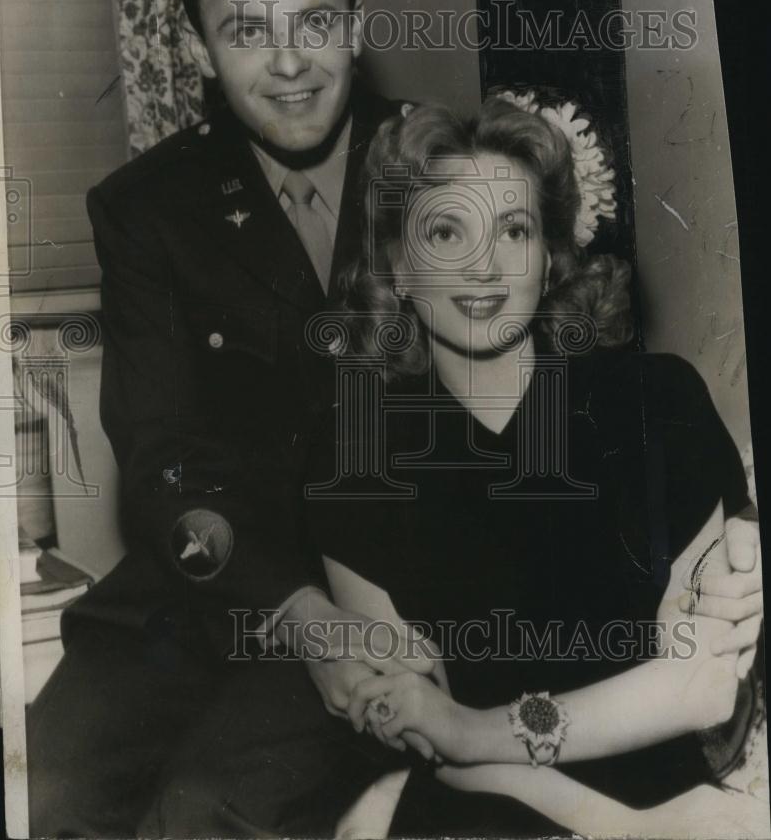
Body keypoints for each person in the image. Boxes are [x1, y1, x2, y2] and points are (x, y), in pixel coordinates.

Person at [26, 0, 428, 839]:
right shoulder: (148, 208)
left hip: (383, 601)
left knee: (203, 812)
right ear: (202, 47)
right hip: (200, 591)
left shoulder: (438, 163)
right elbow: (162, 453)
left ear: (355, 27)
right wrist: (295, 615)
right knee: (46, 791)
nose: (290, 63)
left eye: (316, 23)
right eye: (248, 30)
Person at [306, 96, 767, 838]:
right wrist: (605, 826)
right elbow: (425, 734)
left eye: (513, 230)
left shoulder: (654, 402)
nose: (482, 265)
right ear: (396, 262)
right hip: (493, 810)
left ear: (549, 255)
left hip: (673, 803)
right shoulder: (354, 456)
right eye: (446, 230)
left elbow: (704, 685)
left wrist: (478, 731)